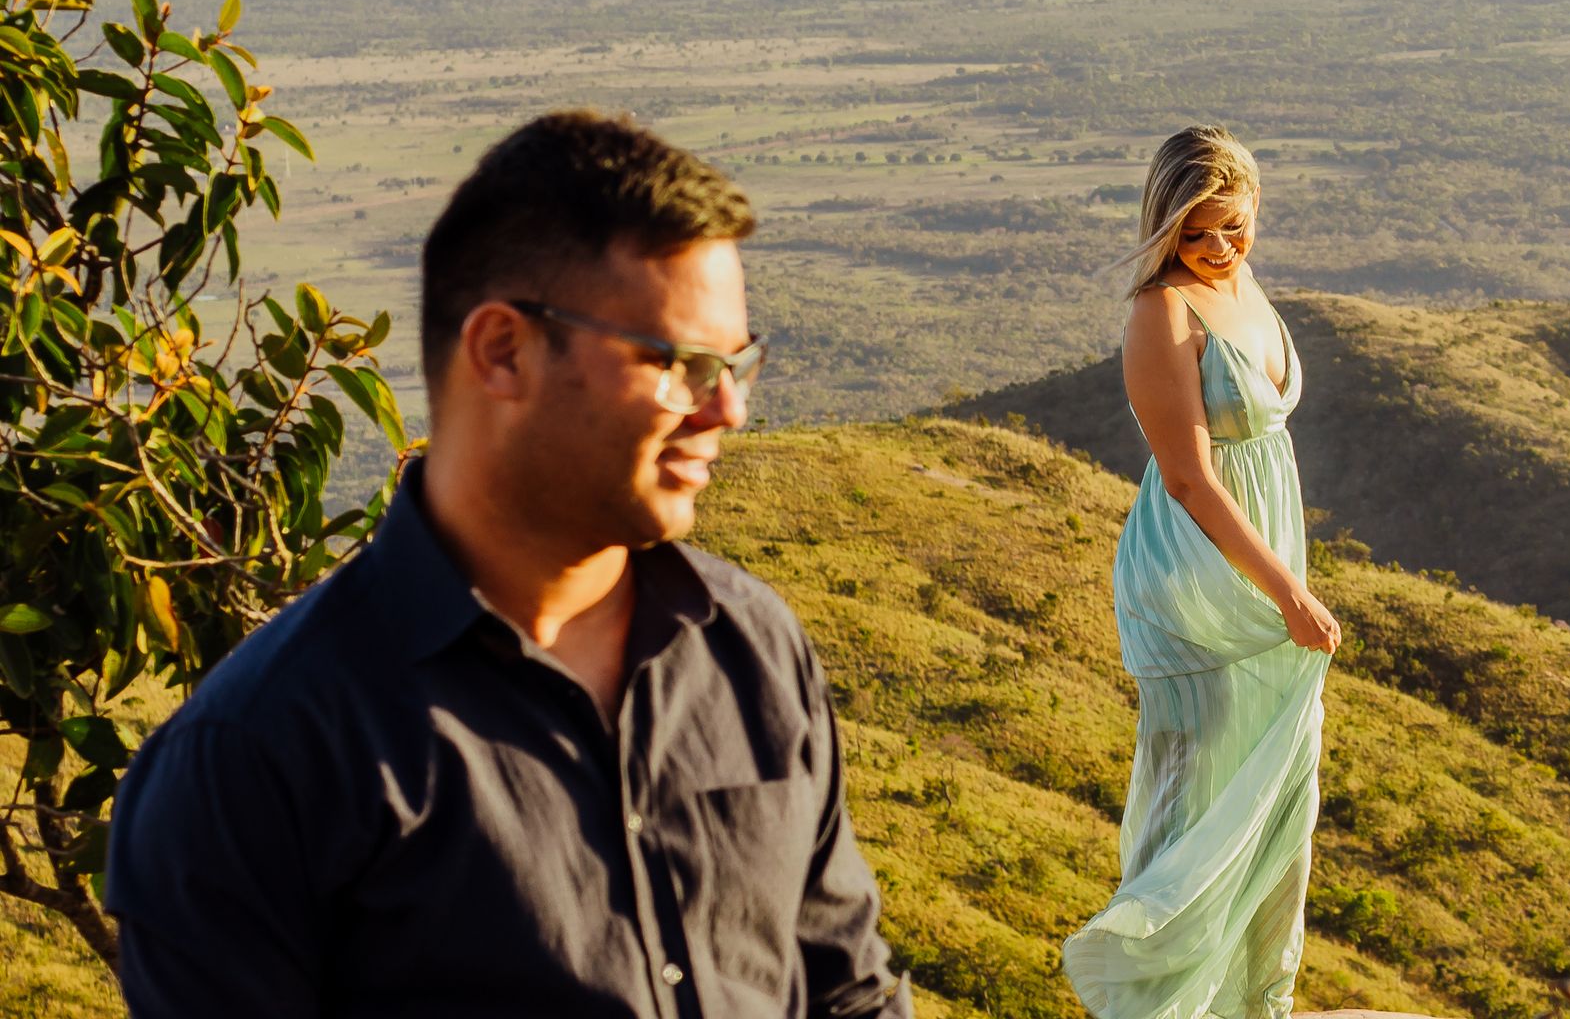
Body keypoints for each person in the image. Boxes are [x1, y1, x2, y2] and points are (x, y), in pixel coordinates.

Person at [106, 111, 911, 1018]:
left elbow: (848, 993)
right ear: (503, 351)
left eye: (737, 365)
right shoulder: (261, 756)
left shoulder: (753, 649)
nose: (726, 411)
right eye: (680, 364)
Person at [1061, 125, 1340, 1019]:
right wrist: (1289, 592)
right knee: (1199, 790)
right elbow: (1187, 479)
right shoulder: (1162, 311)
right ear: (1164, 227)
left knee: (1281, 777)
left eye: (1234, 225)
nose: (1219, 247)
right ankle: (1150, 999)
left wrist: (1289, 578)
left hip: (1261, 555)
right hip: (1195, 574)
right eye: (1197, 232)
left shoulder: (1243, 286)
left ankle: (1253, 1001)